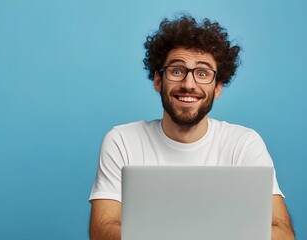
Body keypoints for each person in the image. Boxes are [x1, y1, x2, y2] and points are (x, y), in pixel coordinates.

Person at [89, 15, 295, 240]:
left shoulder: (244, 143)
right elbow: (101, 231)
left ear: (217, 88)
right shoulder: (122, 140)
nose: (188, 84)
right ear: (158, 80)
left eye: (202, 73)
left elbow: (282, 232)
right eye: (177, 71)